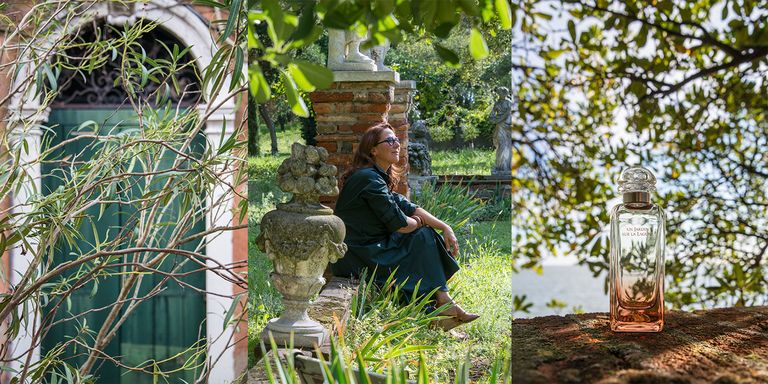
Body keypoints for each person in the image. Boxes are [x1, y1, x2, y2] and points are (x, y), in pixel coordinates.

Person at [331, 123, 479, 330]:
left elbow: (410, 207)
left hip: (371, 249)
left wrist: (446, 228)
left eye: (397, 140)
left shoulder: (375, 176)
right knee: (423, 237)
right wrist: (418, 223)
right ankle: (441, 304)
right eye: (389, 140)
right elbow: (401, 224)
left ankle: (438, 311)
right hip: (360, 256)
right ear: (373, 150)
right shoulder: (368, 178)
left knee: (423, 239)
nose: (396, 144)